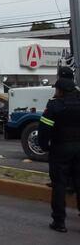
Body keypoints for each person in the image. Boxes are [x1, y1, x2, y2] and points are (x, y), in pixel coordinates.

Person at [38, 77, 80, 233]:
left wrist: (44, 146)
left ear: (60, 90)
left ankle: (59, 222)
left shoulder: (55, 106)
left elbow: (44, 129)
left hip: (60, 150)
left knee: (59, 185)